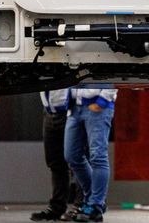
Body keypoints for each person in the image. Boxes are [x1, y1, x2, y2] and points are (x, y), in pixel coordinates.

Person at [64, 84, 118, 222]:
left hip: (98, 106)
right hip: (75, 108)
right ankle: (92, 201)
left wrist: (103, 101)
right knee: (72, 156)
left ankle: (96, 205)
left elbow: (113, 76)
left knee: (98, 157)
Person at [33, 88, 82, 221]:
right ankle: (57, 207)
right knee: (55, 162)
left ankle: (80, 205)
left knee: (75, 161)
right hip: (49, 111)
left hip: (70, 111)